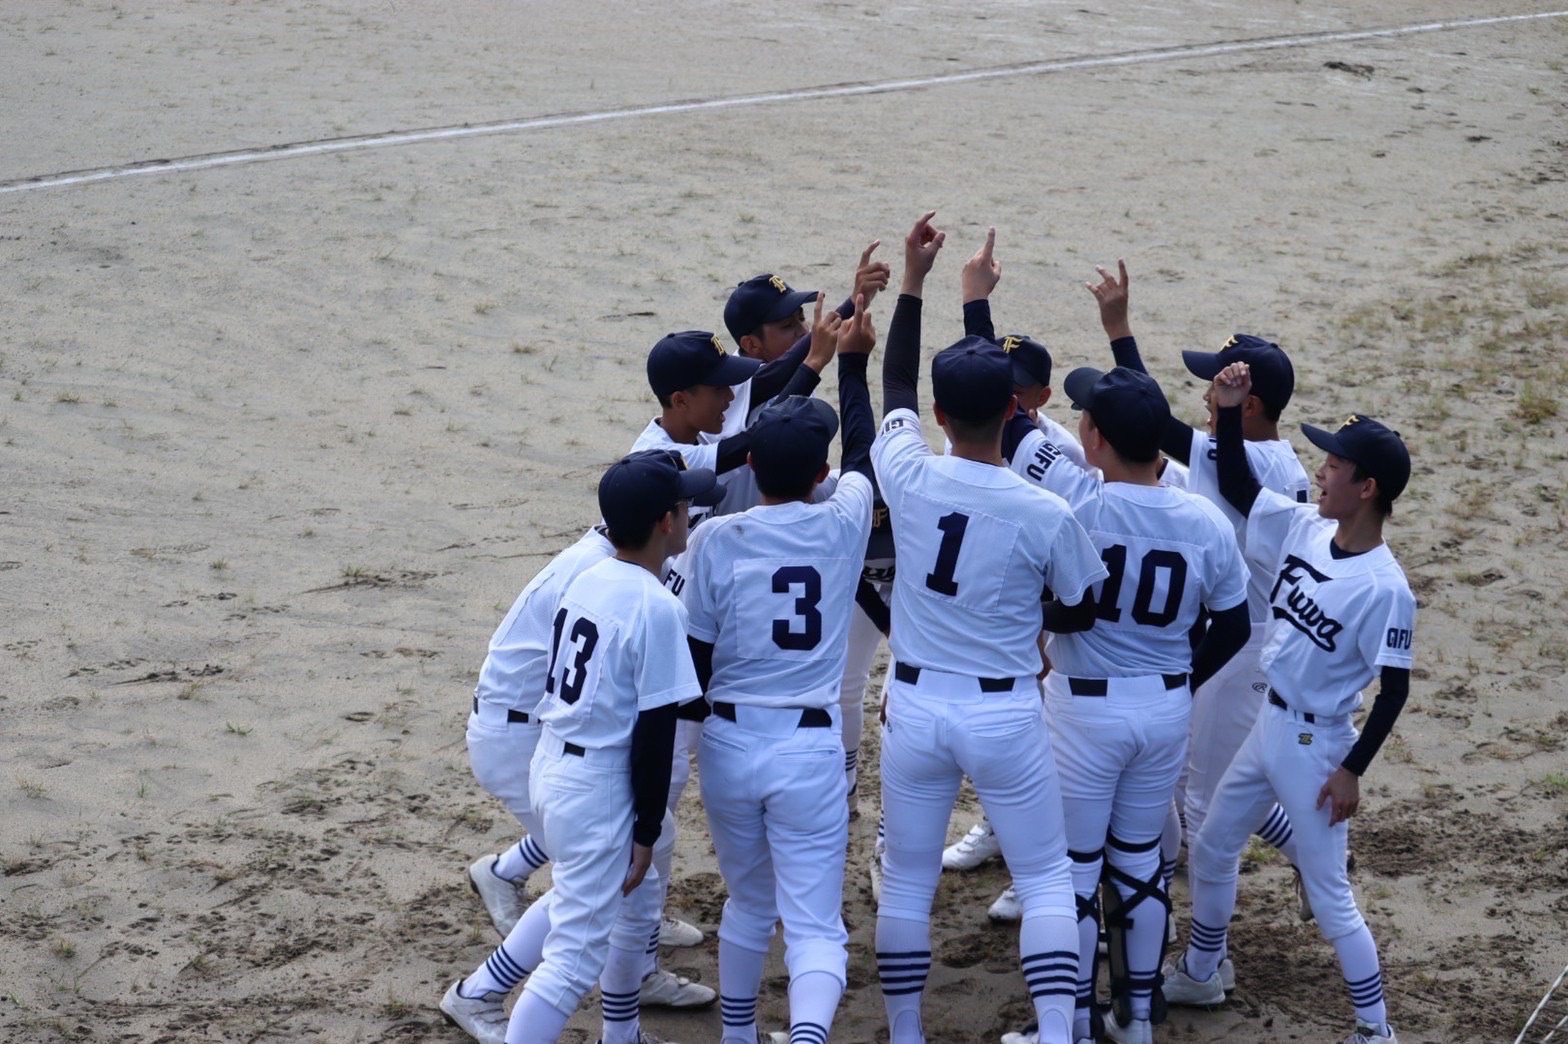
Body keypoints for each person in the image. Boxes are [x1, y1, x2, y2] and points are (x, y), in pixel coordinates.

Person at [871, 212, 1108, 1044]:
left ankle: (904, 1033)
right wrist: (1023, 610)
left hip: (915, 709)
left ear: (941, 413)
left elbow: (893, 386)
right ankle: (1053, 1033)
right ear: (1017, 409)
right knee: (1046, 879)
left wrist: (913, 281)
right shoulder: (1044, 510)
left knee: (905, 885)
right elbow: (1081, 607)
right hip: (1005, 710)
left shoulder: (906, 472)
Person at [1162, 362, 1415, 1044]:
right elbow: (1240, 485)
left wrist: (1352, 769)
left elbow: (1394, 690)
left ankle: (1375, 1029)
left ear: (1368, 487)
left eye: (1335, 464)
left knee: (1332, 898)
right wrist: (1226, 409)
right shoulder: (1305, 527)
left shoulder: (1386, 588)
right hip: (1267, 723)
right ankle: (1201, 966)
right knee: (1213, 844)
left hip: (1316, 748)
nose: (1321, 472)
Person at [998, 364, 1251, 1044]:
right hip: (1166, 710)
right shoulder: (1203, 518)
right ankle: (1135, 1018)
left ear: (1095, 437)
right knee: (1141, 862)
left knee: (1073, 870)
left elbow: (1058, 607)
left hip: (1082, 713)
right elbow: (1233, 626)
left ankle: (1074, 1023)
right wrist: (1181, 682)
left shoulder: (1078, 509)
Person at [1083, 260, 1313, 933]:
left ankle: (1212, 953)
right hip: (1244, 638)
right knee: (1191, 784)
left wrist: (1121, 331)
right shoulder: (1265, 454)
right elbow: (1165, 425)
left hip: (1243, 646)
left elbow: (1156, 429)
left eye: (1218, 388)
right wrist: (1120, 332)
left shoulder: (1256, 460)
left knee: (1208, 801)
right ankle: (1299, 849)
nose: (1204, 398)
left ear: (1253, 406)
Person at [684, 297, 878, 1044]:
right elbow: (862, 453)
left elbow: (697, 658)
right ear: (822, 471)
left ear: (753, 463)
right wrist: (852, 360)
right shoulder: (843, 516)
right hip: (807, 745)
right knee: (815, 923)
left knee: (746, 903)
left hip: (728, 744)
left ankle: (737, 1036)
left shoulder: (717, 541)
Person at [503, 450, 718, 1044]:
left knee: (582, 909)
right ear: (665, 523)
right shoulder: (656, 606)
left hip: (553, 764)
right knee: (571, 963)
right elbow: (655, 734)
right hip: (597, 787)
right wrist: (646, 831)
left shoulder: (590, 576)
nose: (689, 512)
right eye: (682, 505)